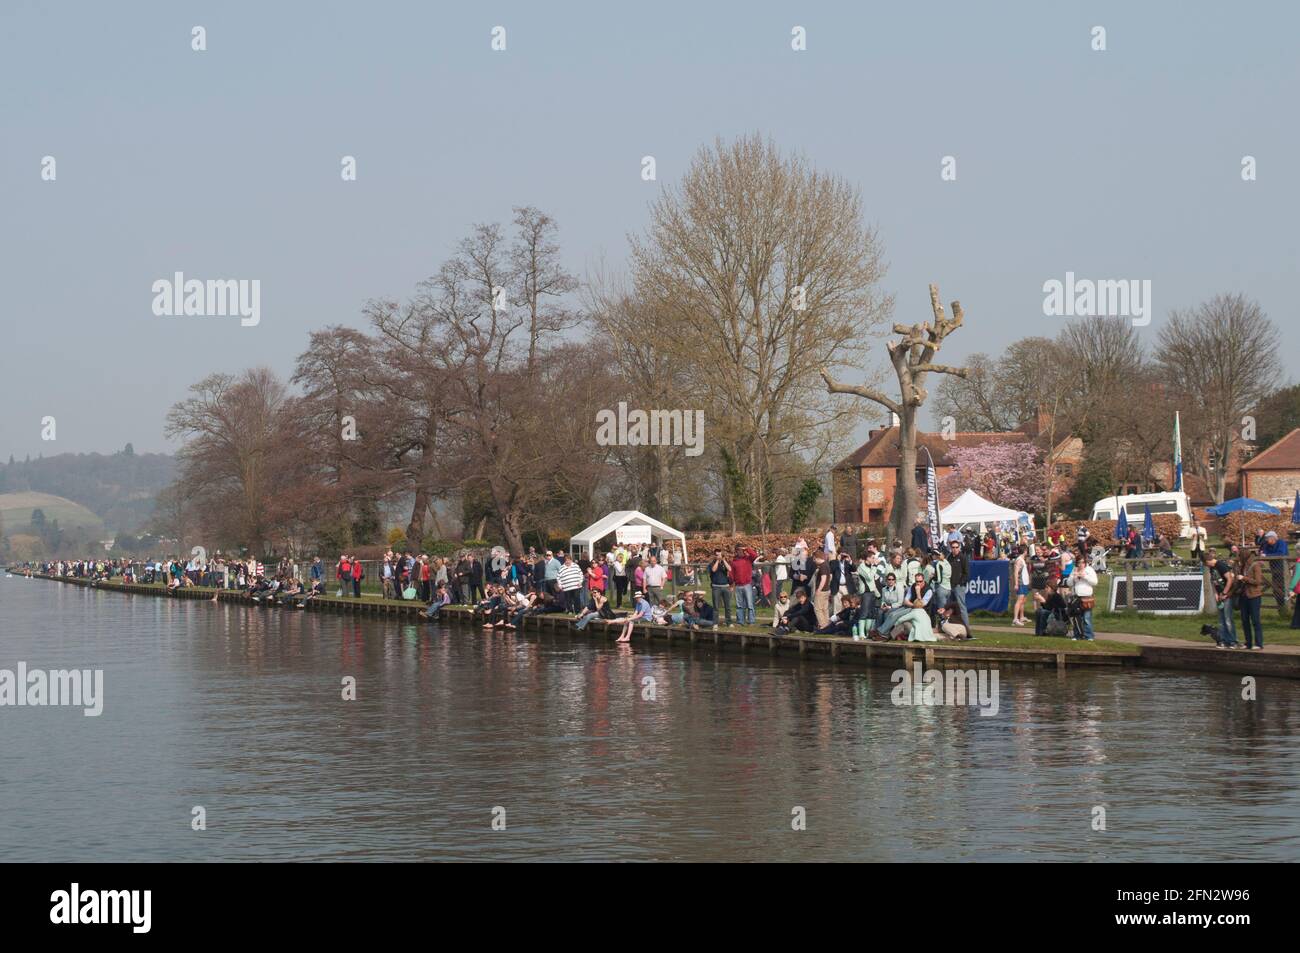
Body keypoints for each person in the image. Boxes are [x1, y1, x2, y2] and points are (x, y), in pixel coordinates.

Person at [1202, 549, 1238, 647]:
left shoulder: (1220, 565)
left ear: (1208, 561)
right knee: (1221, 620)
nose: (1206, 566)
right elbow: (1213, 581)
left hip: (1226, 595)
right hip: (1219, 596)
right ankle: (1224, 640)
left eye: (1206, 564)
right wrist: (1215, 594)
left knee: (1228, 619)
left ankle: (1233, 641)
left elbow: (1230, 579)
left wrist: (1225, 592)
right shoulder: (1211, 568)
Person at [1236, 548, 1266, 650]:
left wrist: (1244, 578)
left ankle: (1259, 643)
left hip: (1254, 596)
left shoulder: (1255, 565)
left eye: (1240, 556)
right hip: (1244, 596)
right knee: (1244, 620)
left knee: (1255, 620)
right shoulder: (1243, 566)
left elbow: (1258, 581)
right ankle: (1248, 642)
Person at [1071, 554, 1098, 640]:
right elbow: (1069, 583)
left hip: (1087, 597)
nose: (1081, 564)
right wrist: (1073, 578)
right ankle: (1077, 635)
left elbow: (1095, 582)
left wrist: (1085, 576)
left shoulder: (1089, 570)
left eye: (1083, 562)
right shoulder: (1074, 570)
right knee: (1076, 618)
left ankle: (1089, 636)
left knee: (1086, 618)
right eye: (1079, 562)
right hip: (1076, 597)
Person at [948, 539, 971, 633]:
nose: (955, 549)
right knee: (950, 607)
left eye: (956, 547)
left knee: (961, 607)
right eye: (953, 547)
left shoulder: (962, 557)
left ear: (959, 547)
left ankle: (967, 628)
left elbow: (966, 573)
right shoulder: (949, 557)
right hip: (950, 586)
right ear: (951, 548)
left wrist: (960, 583)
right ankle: (952, 627)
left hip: (959, 586)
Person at [730, 545, 757, 626]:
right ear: (736, 551)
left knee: (750, 604)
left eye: (741, 550)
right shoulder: (733, 562)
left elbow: (755, 555)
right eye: (738, 550)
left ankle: (751, 621)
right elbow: (732, 574)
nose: (740, 552)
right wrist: (731, 584)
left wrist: (746, 548)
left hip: (747, 585)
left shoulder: (748, 559)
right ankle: (740, 621)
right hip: (738, 586)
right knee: (739, 605)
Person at [708, 549, 733, 626]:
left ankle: (729, 622)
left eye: (719, 554)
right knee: (716, 607)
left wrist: (723, 560)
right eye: (717, 555)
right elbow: (713, 570)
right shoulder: (712, 563)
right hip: (716, 587)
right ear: (714, 555)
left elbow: (729, 569)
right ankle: (715, 623)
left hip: (725, 587)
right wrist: (717, 561)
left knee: (728, 606)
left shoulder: (724, 563)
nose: (718, 556)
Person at [1011, 546, 1030, 627]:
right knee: (1019, 600)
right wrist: (1016, 584)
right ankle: (1015, 619)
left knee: (1023, 600)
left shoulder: (1022, 559)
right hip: (1021, 583)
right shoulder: (1019, 560)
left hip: (1025, 582)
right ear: (1025, 551)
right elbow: (1015, 572)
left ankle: (1021, 617)